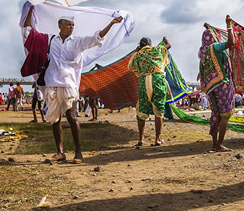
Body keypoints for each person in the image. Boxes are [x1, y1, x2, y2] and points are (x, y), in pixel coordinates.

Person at [45, 13, 123, 163]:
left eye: (73, 25)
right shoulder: (52, 40)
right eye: (68, 24)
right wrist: (30, 10)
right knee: (55, 119)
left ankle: (78, 153)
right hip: (53, 83)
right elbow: (29, 34)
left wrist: (112, 23)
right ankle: (59, 152)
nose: (71, 27)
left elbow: (96, 38)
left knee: (72, 116)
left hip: (69, 84)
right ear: (60, 26)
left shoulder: (77, 41)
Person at [199, 17, 236, 152]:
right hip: (222, 84)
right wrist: (229, 26)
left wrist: (209, 27)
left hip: (210, 87)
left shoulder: (202, 52)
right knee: (225, 114)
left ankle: (214, 144)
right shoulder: (214, 47)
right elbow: (231, 42)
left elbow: (202, 70)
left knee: (215, 114)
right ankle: (220, 145)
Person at [128, 36, 172, 146]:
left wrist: (136, 51)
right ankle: (157, 139)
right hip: (158, 80)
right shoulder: (157, 49)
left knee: (142, 109)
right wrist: (165, 40)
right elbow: (168, 46)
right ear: (150, 44)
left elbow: (131, 66)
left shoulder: (138, 54)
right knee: (159, 110)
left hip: (144, 81)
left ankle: (141, 139)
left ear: (140, 45)